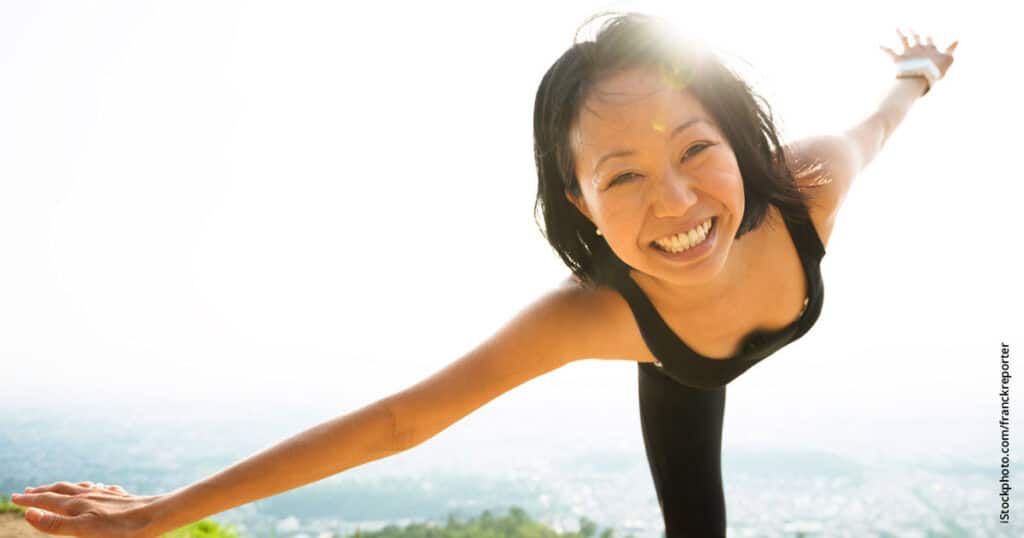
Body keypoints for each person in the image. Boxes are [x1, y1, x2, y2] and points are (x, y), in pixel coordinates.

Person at [11, 11, 958, 538]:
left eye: (694, 148)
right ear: (581, 204)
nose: (673, 202)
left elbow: (884, 117)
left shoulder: (809, 189)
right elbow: (398, 422)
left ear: (738, 143)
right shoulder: (591, 315)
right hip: (678, 363)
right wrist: (163, 513)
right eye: (621, 175)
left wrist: (917, 70)